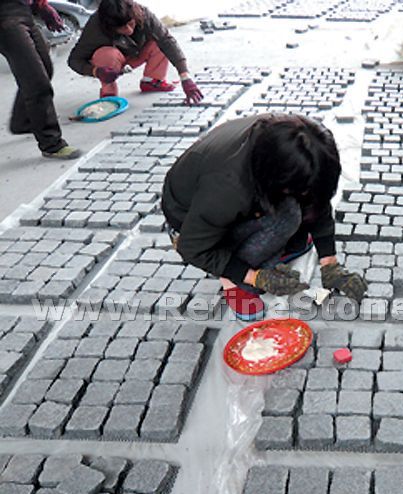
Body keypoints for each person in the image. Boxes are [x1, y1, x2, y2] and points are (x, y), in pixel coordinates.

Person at [161, 113, 367, 321]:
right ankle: (233, 282)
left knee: (295, 209)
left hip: (233, 193)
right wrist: (254, 277)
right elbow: (191, 247)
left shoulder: (293, 143)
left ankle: (273, 248)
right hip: (189, 225)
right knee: (287, 218)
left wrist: (330, 263)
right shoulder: (229, 188)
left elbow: (316, 196)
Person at [68, 0, 203, 103]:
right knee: (106, 54)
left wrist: (185, 77)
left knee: (159, 40)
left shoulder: (143, 14)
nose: (129, 30)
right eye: (122, 28)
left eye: (131, 24)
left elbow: (167, 40)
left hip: (137, 53)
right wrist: (95, 71)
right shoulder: (96, 26)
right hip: (113, 62)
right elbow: (74, 60)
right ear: (109, 26)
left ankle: (152, 81)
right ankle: (109, 92)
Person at [0, 0, 81, 159]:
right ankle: (51, 144)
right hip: (4, 17)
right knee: (36, 82)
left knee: (45, 67)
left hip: (23, 10)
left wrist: (42, 6)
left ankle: (23, 121)